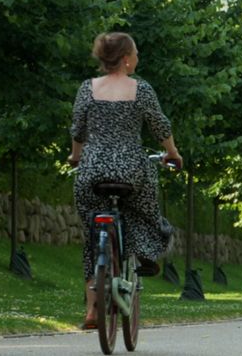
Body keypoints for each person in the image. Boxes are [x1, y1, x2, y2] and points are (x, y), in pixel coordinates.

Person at [69, 32, 182, 330]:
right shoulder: (141, 89)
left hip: (92, 168)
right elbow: (160, 125)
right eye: (136, 52)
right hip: (131, 167)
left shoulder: (86, 89)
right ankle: (144, 253)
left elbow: (78, 129)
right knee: (145, 210)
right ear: (126, 58)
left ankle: (92, 310)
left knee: (93, 233)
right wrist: (173, 153)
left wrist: (76, 157)